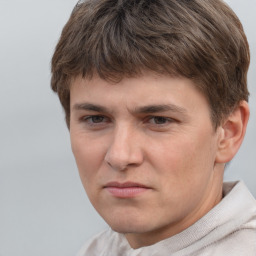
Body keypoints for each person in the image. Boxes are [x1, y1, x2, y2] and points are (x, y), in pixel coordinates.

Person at [51, 0, 256, 255]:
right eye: (96, 119)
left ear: (228, 132)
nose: (120, 156)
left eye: (158, 120)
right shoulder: (97, 250)